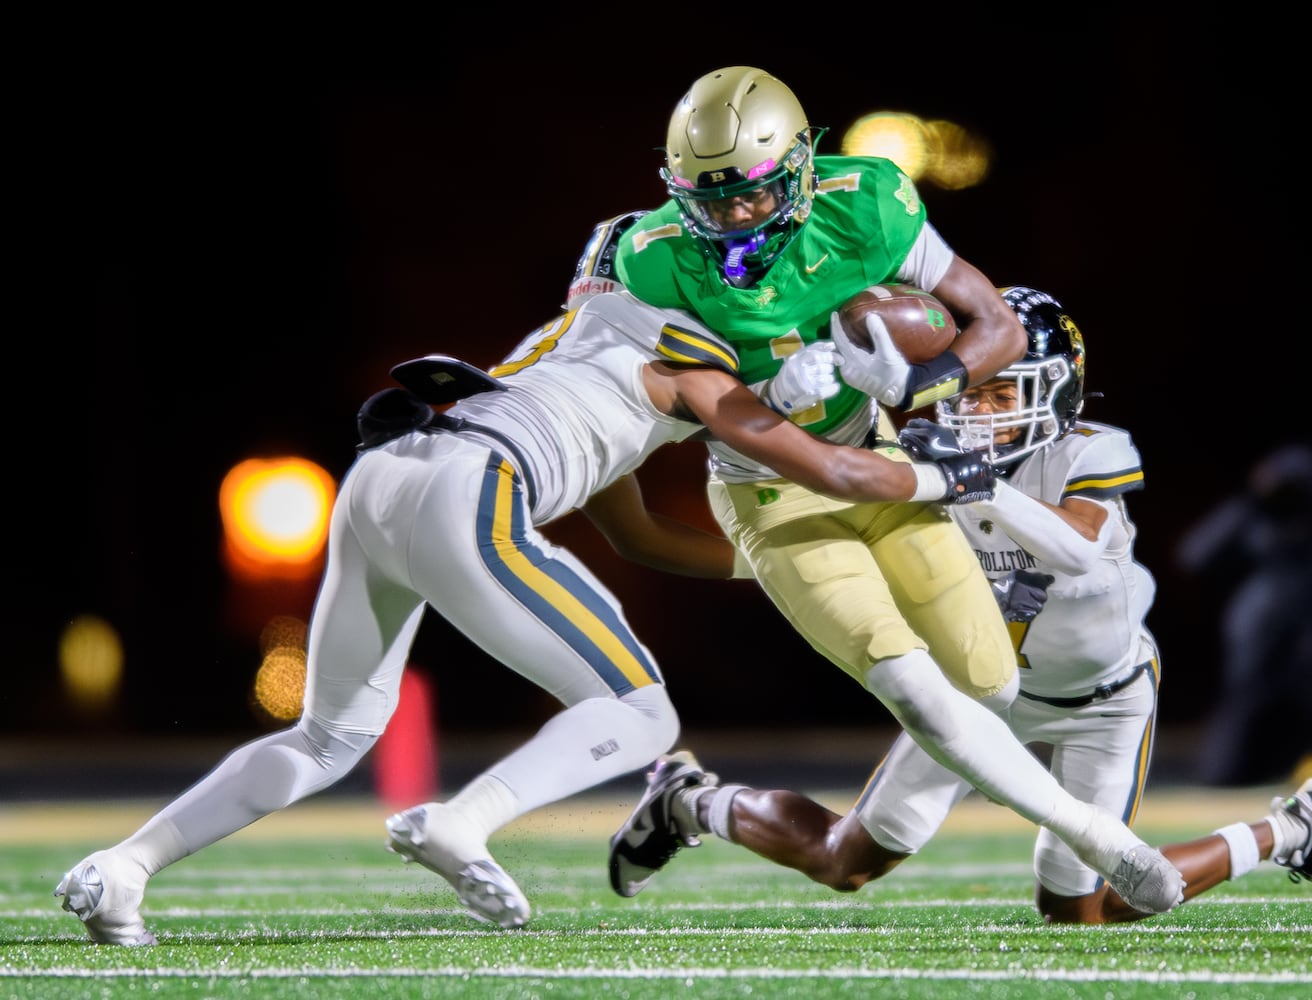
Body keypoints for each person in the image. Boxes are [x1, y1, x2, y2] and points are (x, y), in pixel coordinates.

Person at [51, 235, 1002, 946]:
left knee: (330, 734)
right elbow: (833, 472)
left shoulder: (576, 337)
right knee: (639, 713)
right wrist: (936, 479)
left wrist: (770, 568)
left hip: (386, 473)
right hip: (476, 489)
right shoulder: (695, 358)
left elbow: (638, 533)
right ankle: (460, 821)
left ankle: (122, 867)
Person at [607, 67, 1187, 917]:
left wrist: (919, 383)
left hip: (877, 461)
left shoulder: (870, 204)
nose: (733, 219)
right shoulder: (653, 262)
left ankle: (689, 799)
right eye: (712, 200)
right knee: (912, 684)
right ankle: (1107, 843)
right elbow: (687, 412)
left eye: (753, 195)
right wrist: (768, 401)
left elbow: (999, 326)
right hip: (773, 487)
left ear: (803, 165)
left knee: (987, 688)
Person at [608, 287, 1312, 922]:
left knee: (1081, 911)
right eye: (971, 391)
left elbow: (1076, 547)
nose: (979, 410)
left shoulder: (1093, 449)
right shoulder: (918, 457)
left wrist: (974, 483)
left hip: (1100, 703)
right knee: (844, 861)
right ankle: (692, 802)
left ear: (1055, 392)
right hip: (982, 694)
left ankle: (1295, 831)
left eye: (1003, 391)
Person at [1176, 442, 1312, 786]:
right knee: (1247, 695)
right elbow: (1195, 554)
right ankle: (1236, 766)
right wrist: (1252, 504)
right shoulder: (1258, 520)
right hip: (1263, 621)